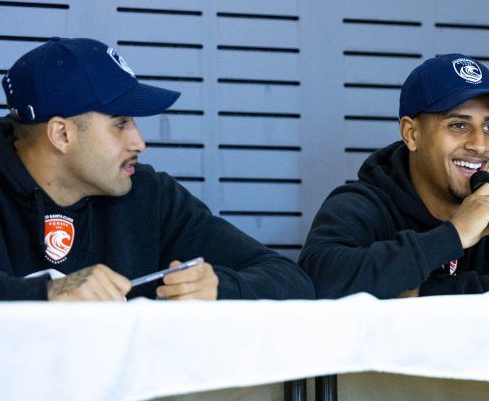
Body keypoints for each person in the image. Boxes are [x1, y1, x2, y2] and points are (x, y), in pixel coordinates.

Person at [0, 37, 315, 301]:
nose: (139, 142)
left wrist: (219, 286)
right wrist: (47, 293)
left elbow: (290, 280)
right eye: (120, 123)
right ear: (61, 134)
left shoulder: (151, 193)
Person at [300, 53, 489, 298]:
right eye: (458, 126)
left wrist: (425, 294)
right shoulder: (364, 202)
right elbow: (318, 279)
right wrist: (453, 235)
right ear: (411, 134)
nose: (479, 145)